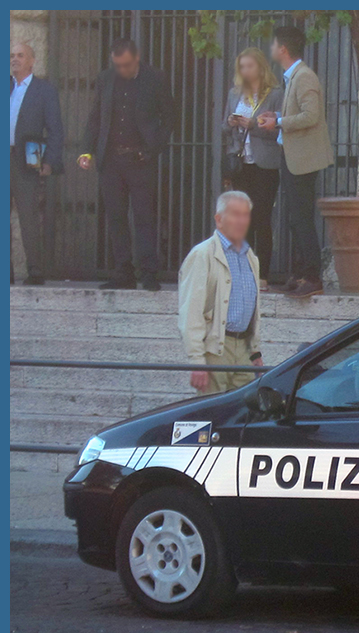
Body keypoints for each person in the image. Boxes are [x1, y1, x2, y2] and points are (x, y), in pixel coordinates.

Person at [79, 39, 175, 291]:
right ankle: (123, 271)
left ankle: (149, 272)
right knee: (116, 217)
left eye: (127, 65)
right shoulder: (105, 79)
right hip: (111, 159)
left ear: (137, 58)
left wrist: (154, 148)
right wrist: (87, 150)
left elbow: (170, 117)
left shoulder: (155, 78)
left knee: (144, 216)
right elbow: (96, 116)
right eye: (118, 65)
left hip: (140, 159)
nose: (122, 69)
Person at [257, 26, 333, 298]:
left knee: (301, 218)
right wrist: (277, 116)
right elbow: (299, 113)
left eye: (273, 44)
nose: (271, 48)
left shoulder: (303, 77)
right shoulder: (294, 76)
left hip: (302, 159)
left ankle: (312, 276)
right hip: (292, 157)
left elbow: (311, 116)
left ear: (283, 49)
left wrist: (278, 122)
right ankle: (301, 274)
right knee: (295, 219)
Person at [178, 191, 263, 395]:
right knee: (209, 417)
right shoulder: (202, 254)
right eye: (235, 214)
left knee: (243, 417)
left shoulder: (251, 257)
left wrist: (255, 352)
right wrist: (197, 361)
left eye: (245, 214)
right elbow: (191, 310)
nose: (241, 220)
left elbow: (252, 310)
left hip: (243, 350)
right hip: (215, 350)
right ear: (219, 219)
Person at [222, 47, 283, 289]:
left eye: (250, 66)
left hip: (265, 164)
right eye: (242, 67)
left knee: (261, 218)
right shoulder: (234, 93)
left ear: (260, 67)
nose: (246, 71)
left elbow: (279, 129)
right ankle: (240, 273)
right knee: (241, 219)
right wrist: (230, 123)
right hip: (241, 163)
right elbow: (223, 127)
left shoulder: (275, 94)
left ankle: (262, 274)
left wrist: (253, 126)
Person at [10, 41, 63, 286]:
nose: (14, 59)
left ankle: (35, 271)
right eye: (12, 56)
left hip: (28, 157)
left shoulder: (44, 90)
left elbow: (54, 129)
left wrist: (50, 160)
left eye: (20, 55)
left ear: (32, 61)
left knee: (29, 215)